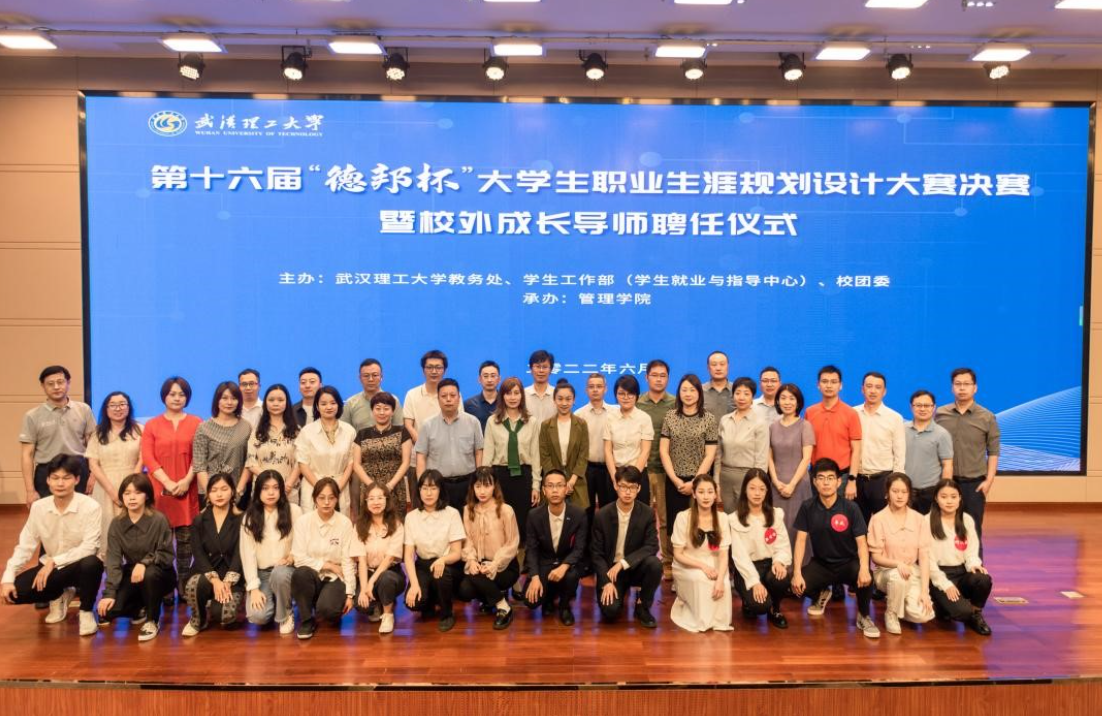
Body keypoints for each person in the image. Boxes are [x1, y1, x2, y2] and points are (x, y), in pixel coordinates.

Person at [0, 454, 104, 636]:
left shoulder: (91, 506)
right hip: (51, 567)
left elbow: (90, 547)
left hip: (79, 566)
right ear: (48, 480)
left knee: (92, 563)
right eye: (55, 478)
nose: (60, 483)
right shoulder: (39, 507)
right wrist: (8, 578)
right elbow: (25, 546)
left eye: (66, 478)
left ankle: (86, 611)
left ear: (77, 480)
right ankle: (60, 595)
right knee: (14, 593)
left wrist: (54, 561)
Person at [791, 458, 880, 639]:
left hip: (848, 563)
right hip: (821, 564)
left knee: (867, 578)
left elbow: (862, 543)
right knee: (796, 586)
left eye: (830, 478)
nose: (826, 482)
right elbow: (800, 541)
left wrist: (864, 568)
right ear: (814, 482)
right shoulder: (807, 507)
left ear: (839, 482)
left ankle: (864, 616)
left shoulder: (851, 508)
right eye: (821, 478)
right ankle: (822, 593)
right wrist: (797, 573)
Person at [141, 376, 202, 598]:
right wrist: (167, 482)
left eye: (182, 394)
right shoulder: (152, 425)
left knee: (186, 542)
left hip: (188, 488)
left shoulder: (197, 422)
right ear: (164, 396)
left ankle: (183, 584)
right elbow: (148, 457)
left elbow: (200, 455)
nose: (177, 398)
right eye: (172, 394)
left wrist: (186, 481)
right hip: (160, 490)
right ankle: (165, 586)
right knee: (161, 541)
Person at [96, 472, 176, 641]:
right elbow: (113, 561)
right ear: (122, 497)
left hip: (160, 573)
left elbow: (167, 555)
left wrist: (144, 563)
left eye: (138, 493)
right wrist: (109, 593)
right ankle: (140, 608)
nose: (132, 498)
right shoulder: (117, 524)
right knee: (108, 612)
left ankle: (152, 620)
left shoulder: (158, 519)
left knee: (150, 574)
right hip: (132, 574)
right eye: (127, 493)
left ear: (147, 496)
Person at [659, 374, 719, 579]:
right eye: (684, 389)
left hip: (700, 483)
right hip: (674, 481)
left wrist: (694, 483)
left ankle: (700, 567)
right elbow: (664, 451)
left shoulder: (708, 418)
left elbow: (710, 454)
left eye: (692, 390)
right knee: (676, 527)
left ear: (699, 393)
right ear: (679, 393)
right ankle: (678, 572)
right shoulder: (670, 416)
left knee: (699, 524)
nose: (688, 394)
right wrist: (676, 480)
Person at [482, 377, 539, 581]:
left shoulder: (531, 422)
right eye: (508, 393)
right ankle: (500, 569)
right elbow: (488, 456)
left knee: (521, 527)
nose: (513, 397)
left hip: (523, 478)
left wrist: (536, 485)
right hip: (500, 478)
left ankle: (517, 575)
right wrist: (486, 485)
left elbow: (536, 456)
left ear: (522, 396)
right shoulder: (493, 421)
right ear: (502, 396)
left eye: (516, 393)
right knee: (500, 526)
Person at [591, 466, 662, 628]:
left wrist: (623, 563)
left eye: (632, 487)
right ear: (616, 486)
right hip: (611, 572)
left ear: (639, 489)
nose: (628, 492)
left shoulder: (647, 513)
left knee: (655, 564)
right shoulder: (602, 515)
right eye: (623, 487)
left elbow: (652, 545)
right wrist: (605, 581)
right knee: (610, 612)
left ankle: (642, 605)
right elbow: (596, 553)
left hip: (634, 567)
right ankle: (619, 594)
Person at [935, 368, 1000, 543]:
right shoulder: (940, 414)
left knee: (973, 531)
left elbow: (993, 452)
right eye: (958, 384)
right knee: (944, 530)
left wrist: (989, 481)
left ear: (975, 388)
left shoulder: (987, 417)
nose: (962, 388)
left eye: (966, 384)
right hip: (946, 482)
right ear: (952, 387)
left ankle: (974, 561)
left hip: (974, 484)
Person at [868, 473, 935, 635]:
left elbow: (924, 557)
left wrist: (924, 591)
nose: (899, 496)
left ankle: (898, 599)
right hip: (886, 572)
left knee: (924, 615)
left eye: (904, 492)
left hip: (911, 571)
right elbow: (876, 557)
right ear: (887, 493)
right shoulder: (878, 519)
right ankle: (891, 613)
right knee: (898, 577)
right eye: (895, 491)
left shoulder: (919, 519)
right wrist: (897, 564)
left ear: (909, 494)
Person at [19, 364, 95, 505]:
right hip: (47, 472)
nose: (56, 387)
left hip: (79, 469)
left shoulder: (84, 409)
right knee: (48, 515)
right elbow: (27, 455)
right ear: (43, 386)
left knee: (80, 512)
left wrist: (93, 475)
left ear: (68, 383)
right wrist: (30, 490)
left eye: (60, 382)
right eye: (50, 384)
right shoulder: (32, 416)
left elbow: (94, 446)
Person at [291, 478, 356, 639]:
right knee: (300, 573)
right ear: (314, 499)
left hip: (335, 577)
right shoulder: (303, 522)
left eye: (331, 498)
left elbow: (347, 561)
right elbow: (299, 558)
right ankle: (307, 620)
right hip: (311, 575)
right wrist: (329, 565)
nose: (326, 502)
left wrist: (350, 594)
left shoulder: (345, 523)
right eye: (321, 498)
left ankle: (324, 604)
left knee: (329, 611)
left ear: (337, 499)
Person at [927, 479, 993, 636]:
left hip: (962, 572)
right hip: (938, 575)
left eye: (953, 496)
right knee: (961, 613)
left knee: (983, 579)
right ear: (936, 498)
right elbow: (927, 561)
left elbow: (972, 550)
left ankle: (976, 614)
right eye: (944, 497)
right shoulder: (926, 521)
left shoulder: (966, 519)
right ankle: (942, 605)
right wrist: (945, 585)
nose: (949, 501)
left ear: (960, 498)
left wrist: (973, 564)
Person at [458, 468, 521, 630]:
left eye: (487, 486)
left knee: (479, 578)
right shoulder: (468, 510)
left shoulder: (506, 510)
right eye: (478, 486)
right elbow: (467, 540)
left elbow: (512, 543)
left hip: (504, 566)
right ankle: (496, 598)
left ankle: (502, 607)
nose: (482, 491)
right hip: (480, 564)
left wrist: (495, 564)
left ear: (495, 486)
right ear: (472, 488)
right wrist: (471, 560)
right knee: (464, 590)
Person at [404, 470, 466, 632]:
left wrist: (442, 560)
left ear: (441, 490)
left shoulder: (452, 513)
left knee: (441, 573)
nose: (429, 493)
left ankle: (447, 613)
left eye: (433, 488)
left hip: (448, 564)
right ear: (419, 490)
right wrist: (414, 585)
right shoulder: (411, 517)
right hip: (423, 565)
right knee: (414, 602)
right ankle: (430, 601)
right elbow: (408, 556)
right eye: (424, 488)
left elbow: (457, 552)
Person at [669, 474, 733, 633]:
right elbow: (678, 554)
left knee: (723, 583)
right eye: (701, 492)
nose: (706, 496)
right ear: (694, 494)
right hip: (688, 563)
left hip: (714, 561)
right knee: (700, 579)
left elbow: (723, 554)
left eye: (710, 492)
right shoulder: (683, 517)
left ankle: (717, 621)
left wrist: (720, 579)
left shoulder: (722, 518)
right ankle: (700, 619)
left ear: (715, 494)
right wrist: (703, 566)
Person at [182, 473, 244, 636]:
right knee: (194, 584)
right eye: (214, 490)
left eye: (224, 489)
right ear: (208, 494)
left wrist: (228, 581)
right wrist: (215, 580)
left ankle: (217, 605)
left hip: (231, 572)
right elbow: (198, 553)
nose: (219, 494)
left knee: (224, 616)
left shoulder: (242, 518)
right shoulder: (199, 520)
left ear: (232, 492)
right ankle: (198, 619)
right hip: (207, 571)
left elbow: (240, 553)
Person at [240, 470, 302, 634]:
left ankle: (285, 614)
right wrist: (253, 588)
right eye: (265, 488)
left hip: (287, 570)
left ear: (281, 490)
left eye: (275, 488)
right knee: (257, 616)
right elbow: (248, 555)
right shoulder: (249, 517)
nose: (271, 492)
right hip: (262, 573)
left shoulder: (294, 511)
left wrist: (292, 556)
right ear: (258, 491)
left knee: (279, 574)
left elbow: (302, 542)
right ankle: (275, 599)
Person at [524, 470, 587, 626]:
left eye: (559, 486)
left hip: (567, 562)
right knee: (530, 601)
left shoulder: (579, 514)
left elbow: (579, 549)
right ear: (544, 490)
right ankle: (548, 599)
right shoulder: (534, 515)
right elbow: (531, 549)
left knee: (571, 575)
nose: (555, 490)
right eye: (550, 486)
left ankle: (564, 607)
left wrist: (564, 566)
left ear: (566, 489)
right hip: (545, 562)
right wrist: (535, 577)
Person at [731, 468, 793, 629]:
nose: (757, 493)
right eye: (752, 488)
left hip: (769, 565)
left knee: (781, 577)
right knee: (759, 607)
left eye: (762, 489)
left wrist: (779, 561)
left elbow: (783, 544)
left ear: (767, 492)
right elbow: (739, 556)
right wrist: (754, 583)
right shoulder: (734, 519)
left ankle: (775, 609)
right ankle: (748, 601)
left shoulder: (775, 515)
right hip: (746, 569)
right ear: (745, 490)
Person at [85, 391, 143, 560]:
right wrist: (113, 493)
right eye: (113, 405)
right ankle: (111, 571)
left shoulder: (140, 430)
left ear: (129, 407)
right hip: (104, 487)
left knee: (133, 529)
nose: (118, 408)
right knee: (106, 530)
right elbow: (93, 464)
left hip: (133, 485)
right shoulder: (98, 433)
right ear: (106, 409)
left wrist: (131, 487)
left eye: (122, 404)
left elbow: (143, 459)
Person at [414, 378, 484, 511]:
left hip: (467, 483)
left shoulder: (473, 422)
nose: (448, 399)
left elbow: (478, 452)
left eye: (452, 395)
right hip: (439, 485)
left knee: (468, 520)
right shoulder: (428, 425)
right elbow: (421, 457)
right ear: (438, 399)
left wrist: (479, 481)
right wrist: (422, 485)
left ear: (459, 397)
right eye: (444, 396)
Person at [637, 360, 677, 579]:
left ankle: (667, 561)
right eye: (654, 375)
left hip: (664, 470)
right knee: (640, 519)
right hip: (641, 469)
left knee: (664, 519)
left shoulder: (675, 403)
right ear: (647, 377)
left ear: (668, 378)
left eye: (663, 375)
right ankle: (641, 560)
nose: (659, 379)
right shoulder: (637, 402)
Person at [351, 483, 405, 635]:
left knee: (386, 579)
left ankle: (388, 614)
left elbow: (389, 559)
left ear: (387, 500)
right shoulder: (359, 525)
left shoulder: (396, 524)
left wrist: (371, 582)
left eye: (380, 498)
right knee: (361, 604)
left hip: (390, 572)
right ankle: (377, 604)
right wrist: (364, 588)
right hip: (367, 571)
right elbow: (361, 560)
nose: (376, 502)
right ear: (366, 502)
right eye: (371, 498)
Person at [805, 366, 863, 502]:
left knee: (840, 514)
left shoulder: (851, 414)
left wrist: (852, 480)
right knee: (816, 513)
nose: (829, 385)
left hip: (841, 477)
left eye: (833, 382)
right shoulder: (810, 412)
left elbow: (856, 449)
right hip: (816, 476)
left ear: (840, 385)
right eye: (825, 381)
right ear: (818, 385)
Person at [295, 386, 356, 513]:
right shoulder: (307, 431)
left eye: (333, 403)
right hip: (313, 486)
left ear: (339, 405)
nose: (329, 407)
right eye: (323, 404)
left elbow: (351, 463)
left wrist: (336, 489)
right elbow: (302, 463)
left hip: (340, 486)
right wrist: (321, 488)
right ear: (317, 406)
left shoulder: (349, 431)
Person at [855, 372, 906, 523]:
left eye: (878, 387)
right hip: (856, 480)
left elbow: (900, 453)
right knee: (857, 526)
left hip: (882, 480)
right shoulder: (852, 413)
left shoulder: (894, 418)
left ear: (884, 391)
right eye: (869, 386)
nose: (873, 391)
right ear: (862, 389)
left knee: (886, 525)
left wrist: (896, 483)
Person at [767, 383, 815, 544]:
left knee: (798, 527)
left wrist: (792, 484)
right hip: (777, 486)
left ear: (798, 402)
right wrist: (775, 482)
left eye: (791, 398)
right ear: (778, 401)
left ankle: (800, 559)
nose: (787, 402)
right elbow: (769, 457)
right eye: (783, 398)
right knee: (777, 527)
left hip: (799, 485)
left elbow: (806, 459)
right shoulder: (772, 427)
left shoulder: (805, 426)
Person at [241, 384, 301, 508]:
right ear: (265, 403)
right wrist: (270, 482)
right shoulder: (257, 432)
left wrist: (288, 484)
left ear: (287, 403)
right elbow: (251, 462)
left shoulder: (296, 431)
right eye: (271, 400)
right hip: (262, 489)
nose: (276, 403)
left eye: (280, 400)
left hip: (289, 490)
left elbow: (300, 461)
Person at [352, 392, 413, 511]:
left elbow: (406, 462)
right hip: (369, 489)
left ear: (393, 411)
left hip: (395, 487)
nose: (382, 412)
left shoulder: (402, 432)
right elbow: (356, 464)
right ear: (372, 411)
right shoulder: (362, 434)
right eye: (378, 408)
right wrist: (371, 486)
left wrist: (390, 486)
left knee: (395, 520)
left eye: (386, 408)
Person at [715, 376, 768, 514]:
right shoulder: (725, 420)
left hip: (748, 478)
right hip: (725, 478)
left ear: (752, 397)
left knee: (746, 518)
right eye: (738, 393)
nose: (741, 397)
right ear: (733, 395)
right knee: (727, 519)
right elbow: (718, 455)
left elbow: (762, 459)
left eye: (746, 393)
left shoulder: (760, 423)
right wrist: (716, 482)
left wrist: (757, 485)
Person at [192, 381, 252, 497]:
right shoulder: (204, 428)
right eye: (224, 398)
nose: (229, 402)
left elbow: (250, 462)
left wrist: (238, 491)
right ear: (217, 400)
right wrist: (211, 493)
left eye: (234, 398)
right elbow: (199, 466)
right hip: (210, 491)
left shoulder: (246, 427)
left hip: (238, 491)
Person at [576, 373, 616, 540]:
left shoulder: (615, 412)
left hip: (609, 468)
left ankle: (606, 547)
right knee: (586, 511)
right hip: (587, 469)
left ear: (605, 389)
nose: (595, 390)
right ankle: (586, 550)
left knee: (608, 510)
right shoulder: (579, 414)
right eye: (591, 387)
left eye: (599, 386)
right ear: (586, 390)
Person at [538, 379, 589, 510]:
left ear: (574, 400)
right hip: (552, 484)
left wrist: (571, 481)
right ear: (554, 400)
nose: (564, 403)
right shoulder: (546, 425)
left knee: (577, 518)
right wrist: (558, 482)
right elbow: (544, 456)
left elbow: (583, 456)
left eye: (568, 399)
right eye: (560, 399)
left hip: (575, 482)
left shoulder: (581, 424)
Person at [603, 375, 654, 507]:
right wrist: (616, 478)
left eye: (630, 393)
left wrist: (632, 480)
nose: (626, 397)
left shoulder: (644, 418)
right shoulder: (609, 418)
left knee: (640, 514)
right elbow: (607, 451)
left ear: (637, 395)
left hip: (638, 474)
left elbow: (645, 451)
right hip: (615, 474)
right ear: (616, 395)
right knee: (612, 514)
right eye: (621, 393)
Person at [905, 390, 954, 514]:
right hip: (905, 491)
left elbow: (947, 465)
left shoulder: (942, 434)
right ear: (911, 407)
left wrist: (944, 491)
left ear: (934, 407)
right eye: (918, 405)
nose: (922, 409)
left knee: (929, 525)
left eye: (927, 405)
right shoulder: (902, 430)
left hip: (930, 493)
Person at [404, 350, 464, 442]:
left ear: (444, 370)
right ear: (423, 370)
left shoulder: (453, 395)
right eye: (429, 367)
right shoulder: (412, 394)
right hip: (419, 446)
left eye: (438, 367)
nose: (434, 371)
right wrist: (423, 444)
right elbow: (408, 425)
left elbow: (459, 422)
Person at [343, 358, 404, 432]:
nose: (370, 379)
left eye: (375, 375)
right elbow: (345, 432)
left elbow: (400, 430)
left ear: (381, 377)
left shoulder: (393, 400)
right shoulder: (350, 404)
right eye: (366, 376)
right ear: (360, 378)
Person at [525, 349, 558, 426]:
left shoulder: (557, 394)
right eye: (537, 366)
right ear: (531, 369)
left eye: (545, 367)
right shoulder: (523, 394)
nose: (541, 370)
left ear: (551, 370)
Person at [464, 360, 501, 430]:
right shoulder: (468, 405)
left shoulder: (505, 402)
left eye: (493, 376)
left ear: (499, 379)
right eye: (486, 376)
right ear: (479, 379)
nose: (489, 380)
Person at [703, 350, 734, 419]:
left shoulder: (737, 390)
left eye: (722, 364)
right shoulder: (699, 391)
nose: (718, 368)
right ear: (708, 368)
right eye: (714, 365)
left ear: (728, 366)